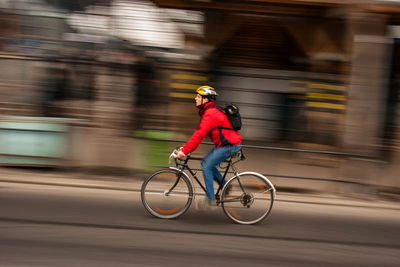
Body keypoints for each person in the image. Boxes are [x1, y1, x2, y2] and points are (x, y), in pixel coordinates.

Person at [176, 85, 242, 208]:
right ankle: (225, 185)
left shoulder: (210, 113)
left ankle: (209, 199)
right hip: (225, 144)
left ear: (205, 100)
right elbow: (199, 134)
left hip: (230, 146)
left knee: (207, 165)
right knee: (206, 162)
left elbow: (199, 134)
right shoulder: (209, 111)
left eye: (198, 96)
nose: (195, 98)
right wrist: (185, 148)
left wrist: (184, 150)